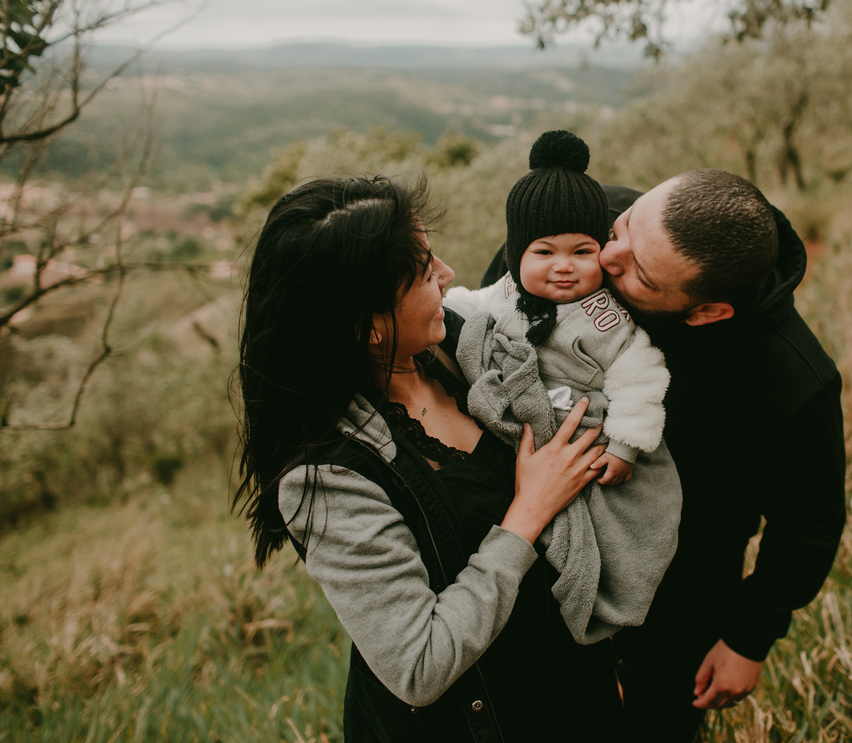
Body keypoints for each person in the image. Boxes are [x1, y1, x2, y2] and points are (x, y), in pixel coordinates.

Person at [234, 175, 624, 742]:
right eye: (422, 271)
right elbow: (418, 665)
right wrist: (527, 513)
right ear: (367, 326)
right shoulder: (327, 477)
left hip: (572, 691)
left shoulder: (462, 345)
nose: (447, 272)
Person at [480, 168, 848, 741]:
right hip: (543, 560)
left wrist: (749, 638)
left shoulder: (792, 384)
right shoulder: (589, 226)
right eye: (622, 230)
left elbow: (811, 523)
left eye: (637, 274)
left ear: (706, 312)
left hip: (680, 597)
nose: (605, 258)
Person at [444, 129, 680, 645]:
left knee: (617, 520)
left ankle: (611, 591)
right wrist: (436, 307)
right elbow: (469, 304)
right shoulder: (505, 293)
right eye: (544, 251)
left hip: (595, 441)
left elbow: (641, 377)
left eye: (582, 250)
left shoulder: (607, 318)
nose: (564, 266)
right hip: (536, 434)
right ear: (516, 256)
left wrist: (624, 443)